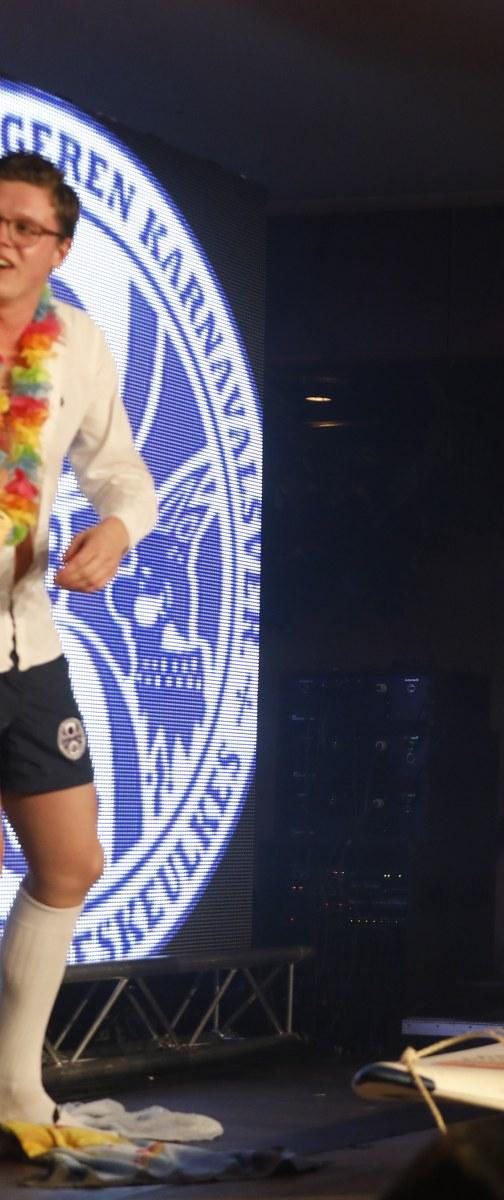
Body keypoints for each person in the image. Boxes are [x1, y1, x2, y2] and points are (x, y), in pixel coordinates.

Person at [0, 153, 157, 1123]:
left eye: (24, 227)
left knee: (71, 862)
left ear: (59, 249)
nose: (3, 241)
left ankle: (14, 1088)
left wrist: (115, 531)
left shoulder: (77, 344)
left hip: (27, 642)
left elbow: (124, 472)